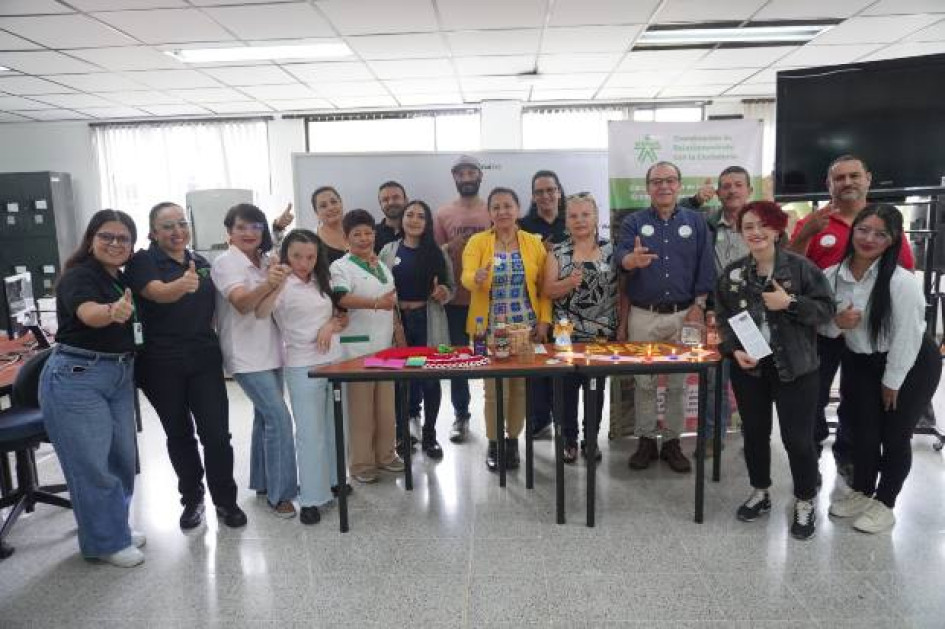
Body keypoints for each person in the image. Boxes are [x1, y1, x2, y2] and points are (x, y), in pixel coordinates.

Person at [788, 155, 915, 481]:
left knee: (857, 400)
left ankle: (847, 454)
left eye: (853, 176)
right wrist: (805, 235)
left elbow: (904, 280)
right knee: (813, 398)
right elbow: (789, 272)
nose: (847, 182)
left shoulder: (885, 221)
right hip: (822, 331)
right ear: (828, 185)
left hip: (871, 336)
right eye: (839, 178)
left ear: (868, 179)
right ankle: (811, 455)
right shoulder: (814, 222)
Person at [715, 201, 835, 540]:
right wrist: (733, 349)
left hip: (796, 368)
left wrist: (791, 304)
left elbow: (827, 311)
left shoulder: (801, 269)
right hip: (751, 368)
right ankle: (760, 491)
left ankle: (805, 499)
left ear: (778, 229)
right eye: (748, 226)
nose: (755, 232)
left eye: (762, 225)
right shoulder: (734, 272)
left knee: (798, 439)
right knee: (754, 434)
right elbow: (722, 316)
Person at [124, 202, 245, 531]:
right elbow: (157, 293)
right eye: (167, 226)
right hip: (160, 363)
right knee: (180, 434)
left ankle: (225, 501)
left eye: (181, 224)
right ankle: (192, 500)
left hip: (204, 358)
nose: (177, 231)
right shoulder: (142, 261)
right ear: (152, 232)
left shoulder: (200, 262)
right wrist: (181, 286)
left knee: (217, 435)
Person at [824, 204, 941, 533]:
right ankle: (862, 492)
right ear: (853, 231)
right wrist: (836, 321)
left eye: (880, 234)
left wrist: (892, 382)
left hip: (911, 363)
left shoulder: (902, 283)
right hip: (861, 361)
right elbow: (823, 327)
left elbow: (907, 337)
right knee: (863, 432)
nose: (868, 238)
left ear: (892, 241)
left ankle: (886, 502)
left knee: (894, 434)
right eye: (863, 230)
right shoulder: (833, 275)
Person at [39, 209, 146, 567]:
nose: (116, 243)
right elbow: (89, 313)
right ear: (91, 239)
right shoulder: (79, 276)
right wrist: (111, 312)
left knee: (122, 460)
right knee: (92, 465)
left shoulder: (118, 276)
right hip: (78, 376)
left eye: (123, 238)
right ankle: (105, 542)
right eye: (107, 237)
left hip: (116, 374)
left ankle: (115, 528)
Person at [616, 161, 715, 474]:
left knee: (677, 383)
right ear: (647, 188)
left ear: (679, 186)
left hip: (684, 315)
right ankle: (646, 439)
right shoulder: (632, 222)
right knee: (643, 382)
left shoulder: (697, 223)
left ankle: (672, 441)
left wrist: (699, 305)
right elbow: (620, 258)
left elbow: (705, 267)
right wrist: (630, 260)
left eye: (669, 180)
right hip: (643, 315)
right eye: (656, 181)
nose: (663, 186)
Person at [255, 229, 349, 525]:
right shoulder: (281, 282)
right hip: (301, 365)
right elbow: (260, 313)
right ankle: (311, 497)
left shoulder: (323, 280)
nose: (304, 263)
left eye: (310, 256)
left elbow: (340, 316)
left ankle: (335, 481)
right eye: (297, 256)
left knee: (335, 426)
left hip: (334, 360)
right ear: (286, 255)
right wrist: (273, 285)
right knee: (309, 433)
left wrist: (330, 326)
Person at [211, 203, 298, 518]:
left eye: (255, 227)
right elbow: (243, 305)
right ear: (229, 233)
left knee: (264, 418)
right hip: (245, 355)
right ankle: (282, 494)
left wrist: (277, 232)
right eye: (242, 228)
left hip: (271, 349)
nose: (249, 233)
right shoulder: (225, 263)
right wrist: (270, 283)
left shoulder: (262, 259)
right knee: (279, 418)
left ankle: (264, 482)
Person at [462, 187, 551, 471]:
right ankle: (494, 442)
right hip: (490, 329)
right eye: (496, 207)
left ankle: (513, 441)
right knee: (494, 390)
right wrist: (475, 277)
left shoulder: (532, 242)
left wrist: (544, 321)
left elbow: (543, 288)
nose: (502, 212)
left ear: (518, 209)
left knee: (520, 388)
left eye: (507, 206)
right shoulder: (477, 242)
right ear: (489, 213)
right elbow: (465, 276)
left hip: (524, 328)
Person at [541, 192, 619, 463]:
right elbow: (547, 290)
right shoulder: (557, 252)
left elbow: (623, 291)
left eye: (586, 214)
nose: (580, 220)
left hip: (601, 335)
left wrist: (621, 329)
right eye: (573, 216)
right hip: (565, 335)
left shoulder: (611, 250)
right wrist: (568, 284)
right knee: (565, 390)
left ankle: (591, 439)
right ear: (566, 220)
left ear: (596, 217)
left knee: (595, 391)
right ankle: (569, 440)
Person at [331, 209, 405, 484]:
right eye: (357, 234)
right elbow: (341, 298)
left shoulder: (381, 266)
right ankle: (361, 463)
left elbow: (391, 303)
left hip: (384, 346)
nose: (364, 239)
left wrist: (399, 336)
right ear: (346, 238)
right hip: (356, 347)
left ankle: (386, 455)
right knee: (361, 408)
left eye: (368, 233)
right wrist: (375, 304)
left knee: (385, 406)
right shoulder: (341, 266)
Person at [379, 200, 454, 459]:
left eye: (420, 216)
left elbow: (450, 289)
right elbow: (380, 289)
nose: (414, 220)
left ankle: (430, 434)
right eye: (409, 214)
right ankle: (402, 434)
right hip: (398, 323)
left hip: (428, 321)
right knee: (401, 381)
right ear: (402, 219)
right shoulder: (388, 251)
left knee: (430, 381)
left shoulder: (437, 253)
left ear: (427, 222)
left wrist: (442, 292)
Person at [434, 155, 492, 443]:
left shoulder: (492, 210)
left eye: (472, 172)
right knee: (458, 359)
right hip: (455, 302)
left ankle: (496, 416)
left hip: (489, 301)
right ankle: (461, 415)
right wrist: (448, 246)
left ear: (480, 176)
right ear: (454, 178)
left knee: (491, 357)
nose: (467, 178)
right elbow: (432, 255)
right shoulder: (443, 213)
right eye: (461, 173)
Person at [702, 166, 754, 455]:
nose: (732, 190)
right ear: (718, 192)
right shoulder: (707, 224)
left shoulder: (762, 225)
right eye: (725, 186)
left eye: (737, 185)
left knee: (754, 378)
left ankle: (754, 435)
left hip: (755, 316)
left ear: (749, 190)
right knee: (714, 380)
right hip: (717, 317)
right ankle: (713, 436)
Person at [518, 170, 567, 440]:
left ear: (559, 191)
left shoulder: (571, 222)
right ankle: (538, 418)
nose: (546, 196)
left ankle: (562, 420)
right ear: (533, 196)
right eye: (539, 192)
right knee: (535, 364)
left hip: (568, 308)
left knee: (561, 363)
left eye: (550, 189)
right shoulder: (522, 226)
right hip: (533, 307)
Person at [375, 180, 407, 253]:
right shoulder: (371, 234)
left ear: (406, 200)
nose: (391, 202)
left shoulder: (417, 231)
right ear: (380, 204)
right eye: (385, 199)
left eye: (396, 198)